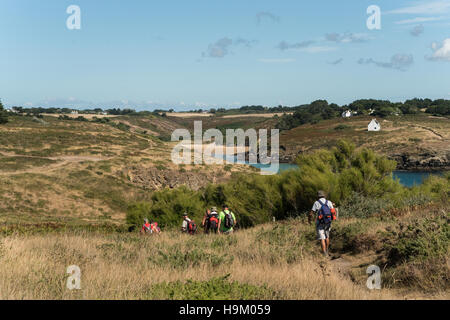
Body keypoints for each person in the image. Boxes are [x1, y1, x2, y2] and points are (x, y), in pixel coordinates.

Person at [310, 190, 335, 257]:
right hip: (328, 222)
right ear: (324, 195)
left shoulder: (316, 203)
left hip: (320, 223)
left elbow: (311, 213)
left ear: (318, 196)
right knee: (327, 237)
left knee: (322, 238)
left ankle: (324, 254)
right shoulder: (329, 202)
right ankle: (327, 251)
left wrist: (309, 220)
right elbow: (333, 211)